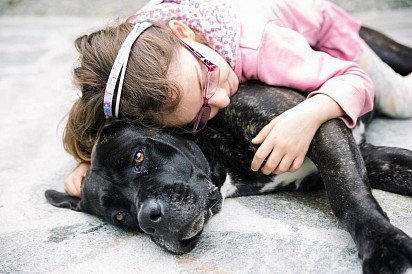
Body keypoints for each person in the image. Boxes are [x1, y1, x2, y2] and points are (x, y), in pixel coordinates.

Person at [63, 0, 412, 197]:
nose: (221, 100)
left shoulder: (261, 45)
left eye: (207, 79)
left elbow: (354, 79)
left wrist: (306, 115)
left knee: (399, 102)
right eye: (202, 112)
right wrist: (94, 163)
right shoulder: (137, 68)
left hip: (317, 25)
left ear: (183, 34)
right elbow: (104, 109)